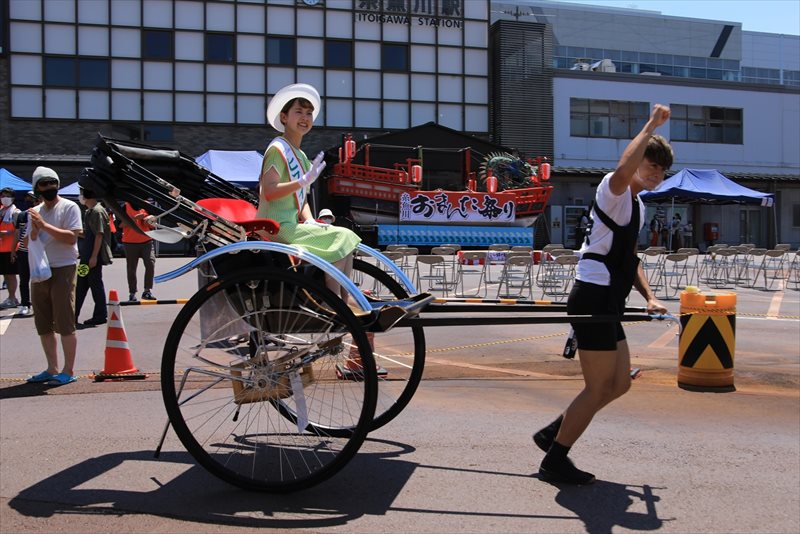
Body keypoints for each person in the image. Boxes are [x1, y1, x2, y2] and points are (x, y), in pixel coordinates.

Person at [533, 104, 672, 485]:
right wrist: (650, 125)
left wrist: (650, 296)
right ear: (637, 160)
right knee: (597, 387)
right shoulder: (614, 189)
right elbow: (625, 165)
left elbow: (629, 257)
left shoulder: (638, 205)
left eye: (662, 170)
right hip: (591, 295)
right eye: (651, 165)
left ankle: (554, 432)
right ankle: (555, 459)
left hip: (610, 299)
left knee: (620, 383)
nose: (656, 174)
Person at [259, 83, 361, 304]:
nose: (305, 117)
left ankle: (346, 296)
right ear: (284, 117)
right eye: (298, 112)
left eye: (309, 113)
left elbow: (301, 199)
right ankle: (334, 300)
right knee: (342, 236)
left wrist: (310, 221)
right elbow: (269, 191)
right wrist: (301, 181)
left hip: (291, 225)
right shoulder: (277, 149)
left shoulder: (301, 155)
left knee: (345, 238)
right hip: (275, 227)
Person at [25, 167, 83, 386]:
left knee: (65, 321)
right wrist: (34, 229)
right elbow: (33, 239)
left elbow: (71, 238)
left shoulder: (69, 207)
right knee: (43, 323)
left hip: (64, 267)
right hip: (40, 270)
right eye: (44, 184)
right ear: (37, 187)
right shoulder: (36, 210)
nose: (49, 187)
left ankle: (68, 370)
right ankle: (52, 368)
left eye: (53, 183)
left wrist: (44, 225)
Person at [74, 187, 113, 326]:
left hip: (92, 256)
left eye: (81, 194)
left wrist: (94, 256)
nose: (80, 197)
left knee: (94, 284)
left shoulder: (97, 211)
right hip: (87, 256)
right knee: (81, 285)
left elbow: (99, 234)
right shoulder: (89, 211)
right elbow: (89, 234)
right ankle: (73, 314)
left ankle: (100, 315)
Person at [121, 201, 157, 302]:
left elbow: (153, 224)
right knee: (131, 268)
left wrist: (148, 220)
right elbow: (120, 225)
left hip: (146, 241)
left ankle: (147, 291)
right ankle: (132, 293)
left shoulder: (146, 205)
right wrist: (134, 218)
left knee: (150, 263)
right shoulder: (125, 206)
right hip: (130, 242)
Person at [11, 191, 39, 316]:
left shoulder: (41, 214)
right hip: (23, 251)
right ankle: (25, 304)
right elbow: (17, 234)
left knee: (39, 279)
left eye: (32, 199)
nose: (30, 201)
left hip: (37, 252)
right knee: (24, 279)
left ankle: (38, 304)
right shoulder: (22, 215)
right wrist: (13, 250)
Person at [0, 187, 21, 309]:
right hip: (1, 248)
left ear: (13, 198)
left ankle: (13, 298)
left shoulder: (15, 212)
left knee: (10, 274)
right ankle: (10, 297)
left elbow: (19, 231)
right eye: (2, 196)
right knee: (5, 274)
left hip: (11, 248)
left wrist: (7, 233)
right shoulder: (1, 211)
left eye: (7, 196)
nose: (4, 198)